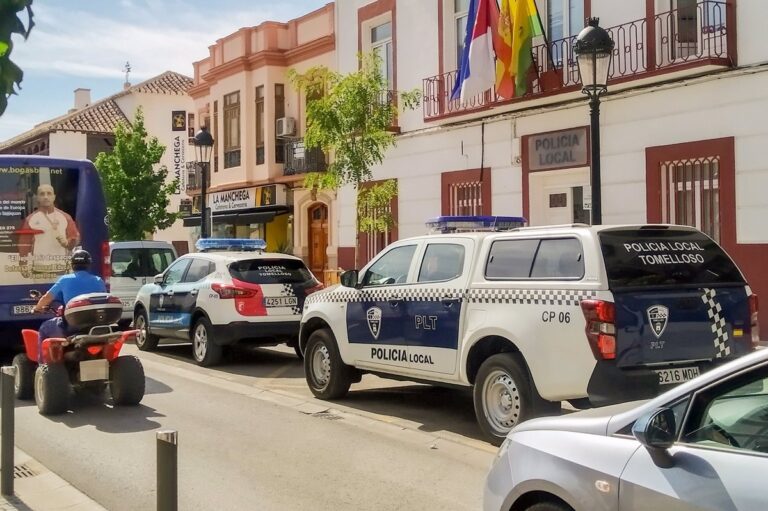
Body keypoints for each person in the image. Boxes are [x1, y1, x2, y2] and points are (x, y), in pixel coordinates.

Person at [32, 250, 106, 362]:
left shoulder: (65, 279)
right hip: (95, 325)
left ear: (72, 265)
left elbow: (47, 298)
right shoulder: (98, 280)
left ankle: (43, 367)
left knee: (44, 328)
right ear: (89, 265)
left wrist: (37, 308)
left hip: (71, 327)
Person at [17, 184, 80, 279]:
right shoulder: (30, 219)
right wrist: (23, 264)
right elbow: (24, 244)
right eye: (42, 194)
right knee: (41, 294)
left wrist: (68, 242)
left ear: (54, 197)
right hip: (39, 270)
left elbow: (75, 238)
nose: (46, 197)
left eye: (49, 193)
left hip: (61, 270)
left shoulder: (65, 217)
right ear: (37, 197)